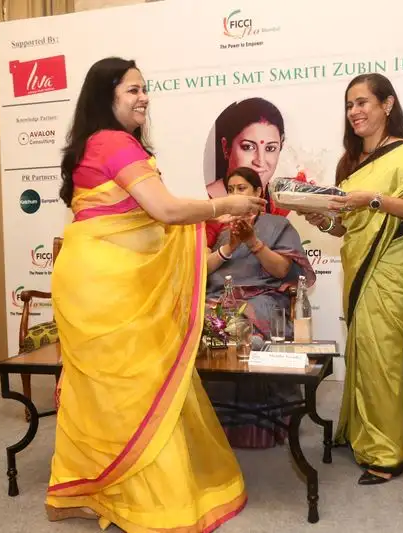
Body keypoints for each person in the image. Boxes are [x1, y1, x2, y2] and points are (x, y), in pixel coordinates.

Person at [46, 57, 265, 532]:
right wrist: (225, 204)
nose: (143, 97)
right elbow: (164, 210)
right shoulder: (112, 142)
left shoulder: (97, 143)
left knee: (101, 390)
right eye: (133, 89)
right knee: (136, 386)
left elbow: (144, 217)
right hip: (109, 288)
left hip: (98, 281)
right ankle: (143, 500)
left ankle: (81, 489)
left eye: (145, 89)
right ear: (106, 96)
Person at [299, 73, 403, 485]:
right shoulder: (351, 164)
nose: (354, 112)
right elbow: (346, 228)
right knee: (365, 357)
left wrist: (369, 198)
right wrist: (322, 219)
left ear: (387, 105)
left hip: (391, 273)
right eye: (349, 105)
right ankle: (363, 435)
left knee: (383, 361)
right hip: (358, 270)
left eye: (362, 102)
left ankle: (387, 454)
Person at [204, 166, 315, 448]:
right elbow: (202, 271)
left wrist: (252, 242)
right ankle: (209, 423)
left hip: (263, 297)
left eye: (241, 188)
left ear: (257, 192)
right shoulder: (220, 229)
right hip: (220, 298)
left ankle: (256, 424)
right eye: (230, 189)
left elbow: (281, 271)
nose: (235, 194)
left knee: (244, 320)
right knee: (201, 319)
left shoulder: (278, 226)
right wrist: (229, 247)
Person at [205, 97, 290, 248]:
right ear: (226, 147)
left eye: (270, 148)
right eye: (248, 147)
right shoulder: (204, 205)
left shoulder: (281, 201)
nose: (260, 161)